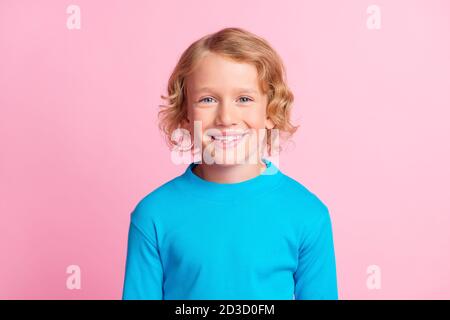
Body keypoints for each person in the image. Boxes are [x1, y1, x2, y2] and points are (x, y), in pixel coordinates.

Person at [122, 27, 338, 300]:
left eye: (244, 99)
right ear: (186, 115)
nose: (226, 117)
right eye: (207, 99)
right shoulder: (153, 215)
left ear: (270, 111)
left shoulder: (308, 214)